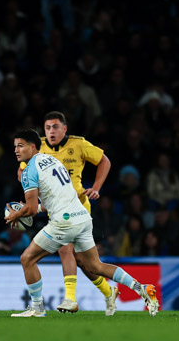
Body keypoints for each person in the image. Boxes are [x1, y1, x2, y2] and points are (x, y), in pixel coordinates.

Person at [6, 130, 159, 318]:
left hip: (64, 222)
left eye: (20, 145)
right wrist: (30, 209)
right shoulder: (52, 161)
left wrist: (16, 215)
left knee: (27, 259)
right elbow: (50, 201)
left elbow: (29, 209)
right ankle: (142, 288)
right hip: (83, 217)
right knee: (96, 266)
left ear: (33, 146)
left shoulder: (29, 170)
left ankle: (37, 308)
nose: (16, 150)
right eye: (14, 146)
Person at [20, 111, 116, 314]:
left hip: (78, 205)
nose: (51, 131)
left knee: (65, 249)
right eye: (47, 128)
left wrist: (96, 187)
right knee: (84, 262)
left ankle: (70, 299)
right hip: (54, 207)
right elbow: (22, 170)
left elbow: (104, 161)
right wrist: (32, 194)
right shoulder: (39, 147)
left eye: (55, 127)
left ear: (65, 128)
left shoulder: (79, 144)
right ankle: (109, 292)